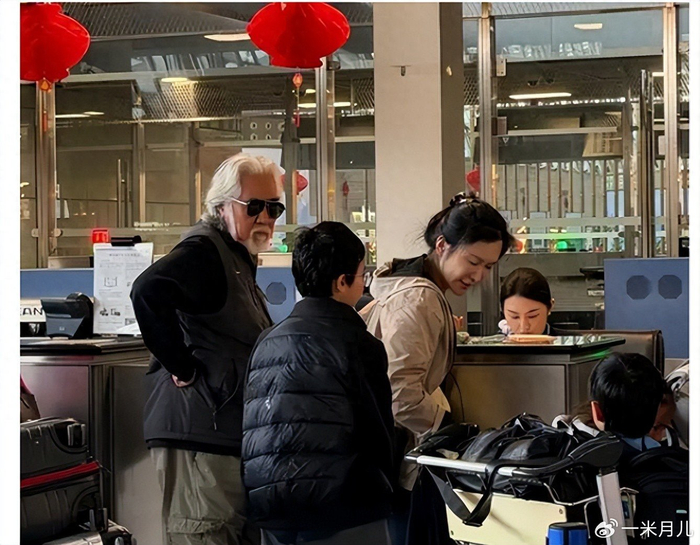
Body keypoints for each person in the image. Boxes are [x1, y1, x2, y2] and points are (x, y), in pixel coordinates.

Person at [131, 153, 285, 545]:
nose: (265, 217)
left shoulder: (235, 254)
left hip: (224, 433)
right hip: (200, 435)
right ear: (221, 206)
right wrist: (181, 366)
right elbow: (147, 291)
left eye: (274, 207)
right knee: (204, 533)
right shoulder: (204, 251)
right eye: (254, 206)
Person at [360, 193, 513, 541]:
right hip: (407, 458)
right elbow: (400, 393)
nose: (479, 275)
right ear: (442, 245)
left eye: (489, 267)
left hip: (395, 456)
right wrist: (448, 429)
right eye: (473, 261)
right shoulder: (419, 298)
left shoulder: (405, 287)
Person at [242, 222, 394, 545]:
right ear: (342, 282)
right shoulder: (358, 343)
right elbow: (378, 432)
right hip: (342, 507)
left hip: (270, 503)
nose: (363, 282)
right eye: (362, 274)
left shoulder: (267, 340)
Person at [498, 267, 555, 336]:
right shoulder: (494, 341)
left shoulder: (565, 340)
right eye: (514, 317)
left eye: (532, 316)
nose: (523, 329)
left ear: (550, 307)